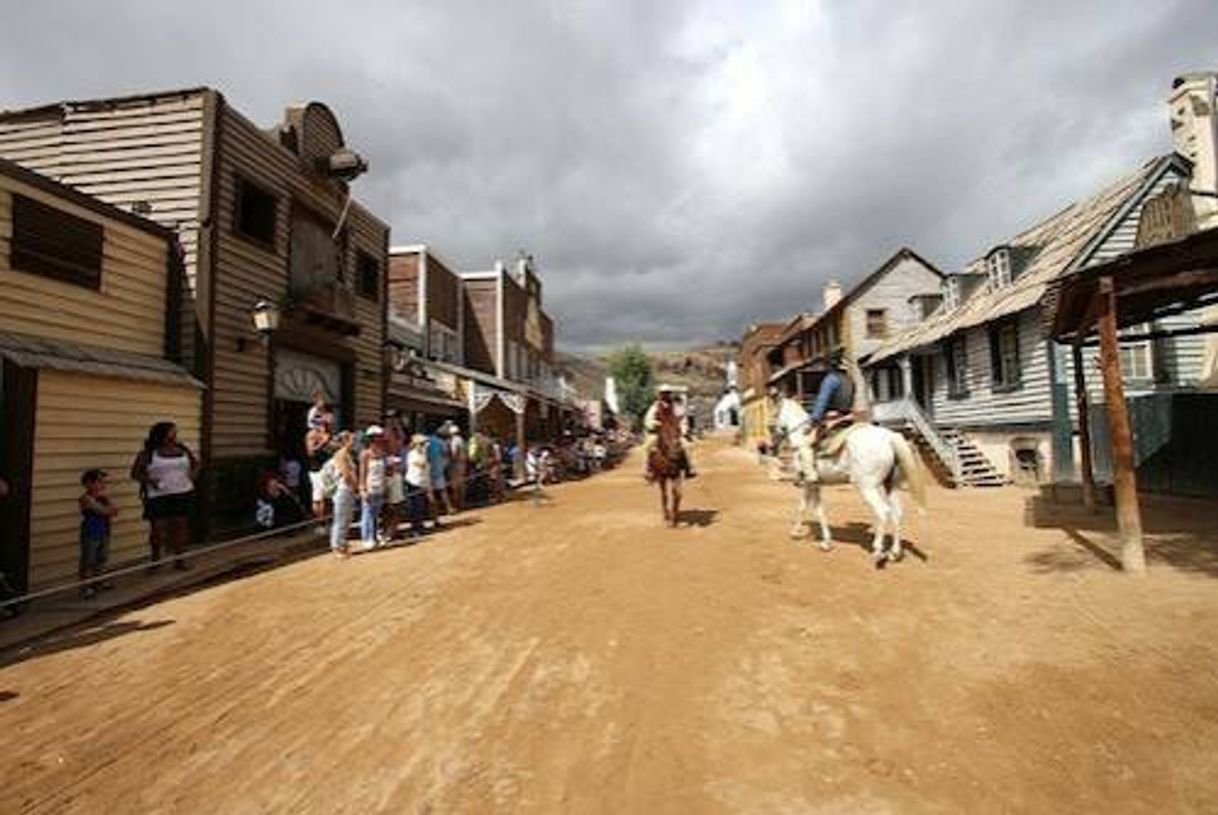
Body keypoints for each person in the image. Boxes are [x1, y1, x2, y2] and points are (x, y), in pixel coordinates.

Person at [130, 422, 198, 571]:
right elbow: (135, 473)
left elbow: (195, 463)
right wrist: (149, 480)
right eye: (171, 432)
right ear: (161, 434)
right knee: (158, 529)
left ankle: (179, 560)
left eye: (175, 432)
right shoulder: (148, 453)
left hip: (182, 492)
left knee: (180, 526)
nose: (174, 435)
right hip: (158, 495)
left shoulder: (182, 449)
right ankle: (156, 560)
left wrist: (193, 474)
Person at [802, 349, 857, 482]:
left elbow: (822, 402)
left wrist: (813, 420)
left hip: (833, 419)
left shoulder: (830, 380)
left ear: (828, 365)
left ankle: (811, 475)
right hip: (849, 418)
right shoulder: (850, 380)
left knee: (805, 445)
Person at [642, 387, 696, 481]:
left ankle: (689, 468)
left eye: (667, 393)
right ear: (659, 394)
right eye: (663, 393)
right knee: (649, 446)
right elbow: (647, 420)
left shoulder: (676, 407)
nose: (665, 395)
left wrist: (683, 430)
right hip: (659, 432)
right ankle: (648, 469)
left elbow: (682, 419)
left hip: (674, 432)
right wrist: (654, 423)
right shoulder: (655, 407)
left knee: (686, 446)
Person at [78, 469, 118, 597]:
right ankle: (86, 586)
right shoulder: (85, 498)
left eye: (103, 482)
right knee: (89, 559)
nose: (103, 485)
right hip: (91, 532)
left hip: (104, 531)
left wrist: (108, 506)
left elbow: (115, 510)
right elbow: (102, 511)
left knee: (102, 557)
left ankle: (99, 581)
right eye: (99, 482)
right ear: (89, 483)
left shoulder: (103, 498)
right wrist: (107, 509)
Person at [327, 431, 358, 559]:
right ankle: (336, 547)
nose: (354, 442)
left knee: (347, 518)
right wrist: (355, 487)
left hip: (349, 489)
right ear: (345, 441)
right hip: (343, 489)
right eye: (352, 439)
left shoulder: (347, 454)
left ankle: (342, 543)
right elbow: (346, 475)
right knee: (340, 519)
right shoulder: (340, 455)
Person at [359, 425, 389, 551]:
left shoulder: (382, 453)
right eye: (376, 437)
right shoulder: (365, 454)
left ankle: (375, 537)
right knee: (367, 514)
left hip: (380, 487)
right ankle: (367, 539)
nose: (378, 439)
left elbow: (385, 472)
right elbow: (362, 473)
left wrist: (386, 486)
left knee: (376, 514)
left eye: (379, 437)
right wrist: (362, 489)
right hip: (370, 487)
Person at [305, 413, 335, 531]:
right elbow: (310, 453)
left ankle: (329, 522)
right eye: (325, 423)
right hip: (317, 469)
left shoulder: (329, 434)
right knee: (319, 497)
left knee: (329, 497)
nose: (328, 425)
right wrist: (323, 442)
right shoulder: (312, 434)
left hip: (329, 468)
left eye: (329, 423)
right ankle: (320, 523)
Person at [404, 434, 432, 537]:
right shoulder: (412, 454)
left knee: (421, 506)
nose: (425, 445)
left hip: (422, 483)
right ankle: (415, 528)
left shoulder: (422, 454)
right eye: (422, 444)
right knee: (415, 507)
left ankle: (420, 525)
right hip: (413, 483)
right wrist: (424, 452)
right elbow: (422, 465)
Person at [426, 426, 452, 520]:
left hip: (427, 470)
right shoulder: (442, 442)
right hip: (438, 469)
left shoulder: (427, 439)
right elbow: (447, 454)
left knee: (431, 493)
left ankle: (433, 514)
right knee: (442, 491)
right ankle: (448, 508)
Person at [448, 424, 468, 512]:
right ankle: (462, 503)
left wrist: (451, 462)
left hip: (456, 464)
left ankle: (457, 504)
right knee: (461, 484)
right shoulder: (462, 440)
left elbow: (454, 453)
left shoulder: (455, 440)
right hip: (462, 463)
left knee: (455, 485)